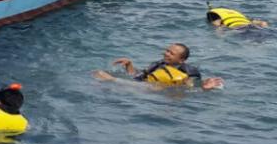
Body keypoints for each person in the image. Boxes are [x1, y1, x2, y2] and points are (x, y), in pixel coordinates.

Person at [94, 43, 224, 89]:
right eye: (167, 50)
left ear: (181, 60)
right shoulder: (158, 64)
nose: (166, 54)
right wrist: (129, 65)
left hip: (160, 91)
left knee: (104, 77)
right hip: (147, 87)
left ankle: (112, 81)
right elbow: (137, 76)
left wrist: (204, 87)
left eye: (171, 53)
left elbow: (191, 88)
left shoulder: (189, 71)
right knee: (98, 74)